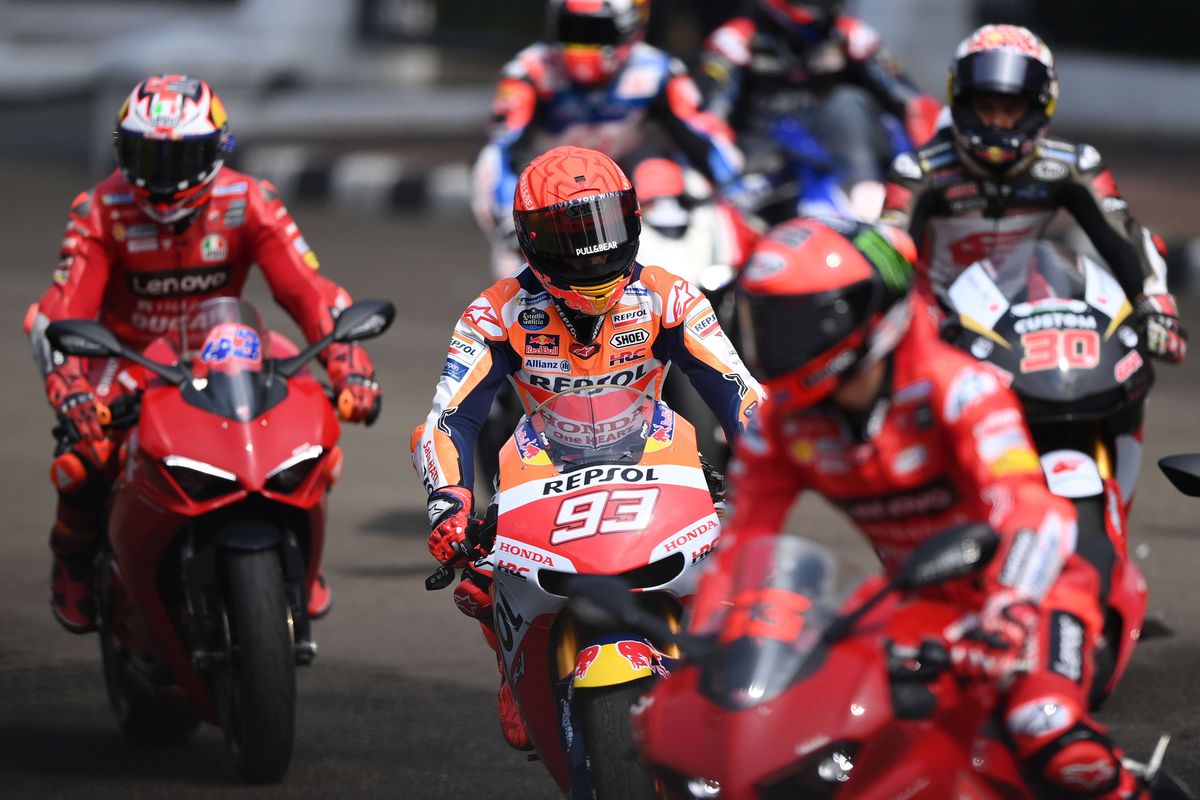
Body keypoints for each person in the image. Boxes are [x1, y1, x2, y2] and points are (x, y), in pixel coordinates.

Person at [696, 216, 1156, 797]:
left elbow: (1030, 510)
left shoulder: (958, 389)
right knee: (834, 746)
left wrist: (1010, 609)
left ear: (863, 317)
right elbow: (741, 543)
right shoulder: (780, 425)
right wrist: (711, 640)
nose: (771, 347)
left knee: (1048, 731)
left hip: (1036, 591)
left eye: (791, 325)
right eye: (762, 322)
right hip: (915, 605)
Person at [412, 145, 762, 750]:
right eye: (572, 233)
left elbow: (741, 393)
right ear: (529, 238)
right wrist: (448, 500)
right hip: (541, 471)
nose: (592, 248)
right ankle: (510, 662)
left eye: (604, 225)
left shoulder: (672, 297)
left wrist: (768, 467)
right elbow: (447, 420)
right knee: (476, 575)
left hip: (662, 463)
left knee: (752, 567)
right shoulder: (491, 315)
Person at [25, 74, 381, 634]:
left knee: (310, 429)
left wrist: (349, 364)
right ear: (122, 151)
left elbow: (309, 291)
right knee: (84, 456)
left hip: (220, 346)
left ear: (216, 151)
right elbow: (59, 313)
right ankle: (73, 558)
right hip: (128, 357)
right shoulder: (98, 209)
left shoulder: (251, 200)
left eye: (181, 158)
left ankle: (300, 556)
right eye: (147, 156)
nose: (162, 179)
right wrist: (68, 386)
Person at [880, 23, 1186, 513]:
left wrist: (1156, 306)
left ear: (1039, 107)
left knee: (1128, 367)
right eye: (986, 106)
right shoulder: (918, 172)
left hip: (1024, 315)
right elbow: (888, 260)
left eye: (1011, 107)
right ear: (960, 101)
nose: (998, 122)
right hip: (942, 322)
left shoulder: (1074, 163)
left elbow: (1127, 239)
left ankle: (1116, 508)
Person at [470, 0, 748, 278]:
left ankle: (692, 284)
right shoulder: (528, 72)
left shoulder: (659, 70)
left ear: (628, 29)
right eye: (572, 31)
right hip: (548, 195)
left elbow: (702, 136)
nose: (582, 45)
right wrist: (510, 216)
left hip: (620, 189)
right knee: (519, 261)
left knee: (680, 180)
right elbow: (501, 150)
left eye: (595, 33)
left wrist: (740, 188)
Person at [696, 0, 942, 220]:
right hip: (764, 163)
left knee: (848, 103)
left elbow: (913, 102)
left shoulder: (851, 34)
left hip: (843, 159)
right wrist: (729, 172)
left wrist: (932, 163)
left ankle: (867, 202)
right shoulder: (734, 40)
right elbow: (708, 120)